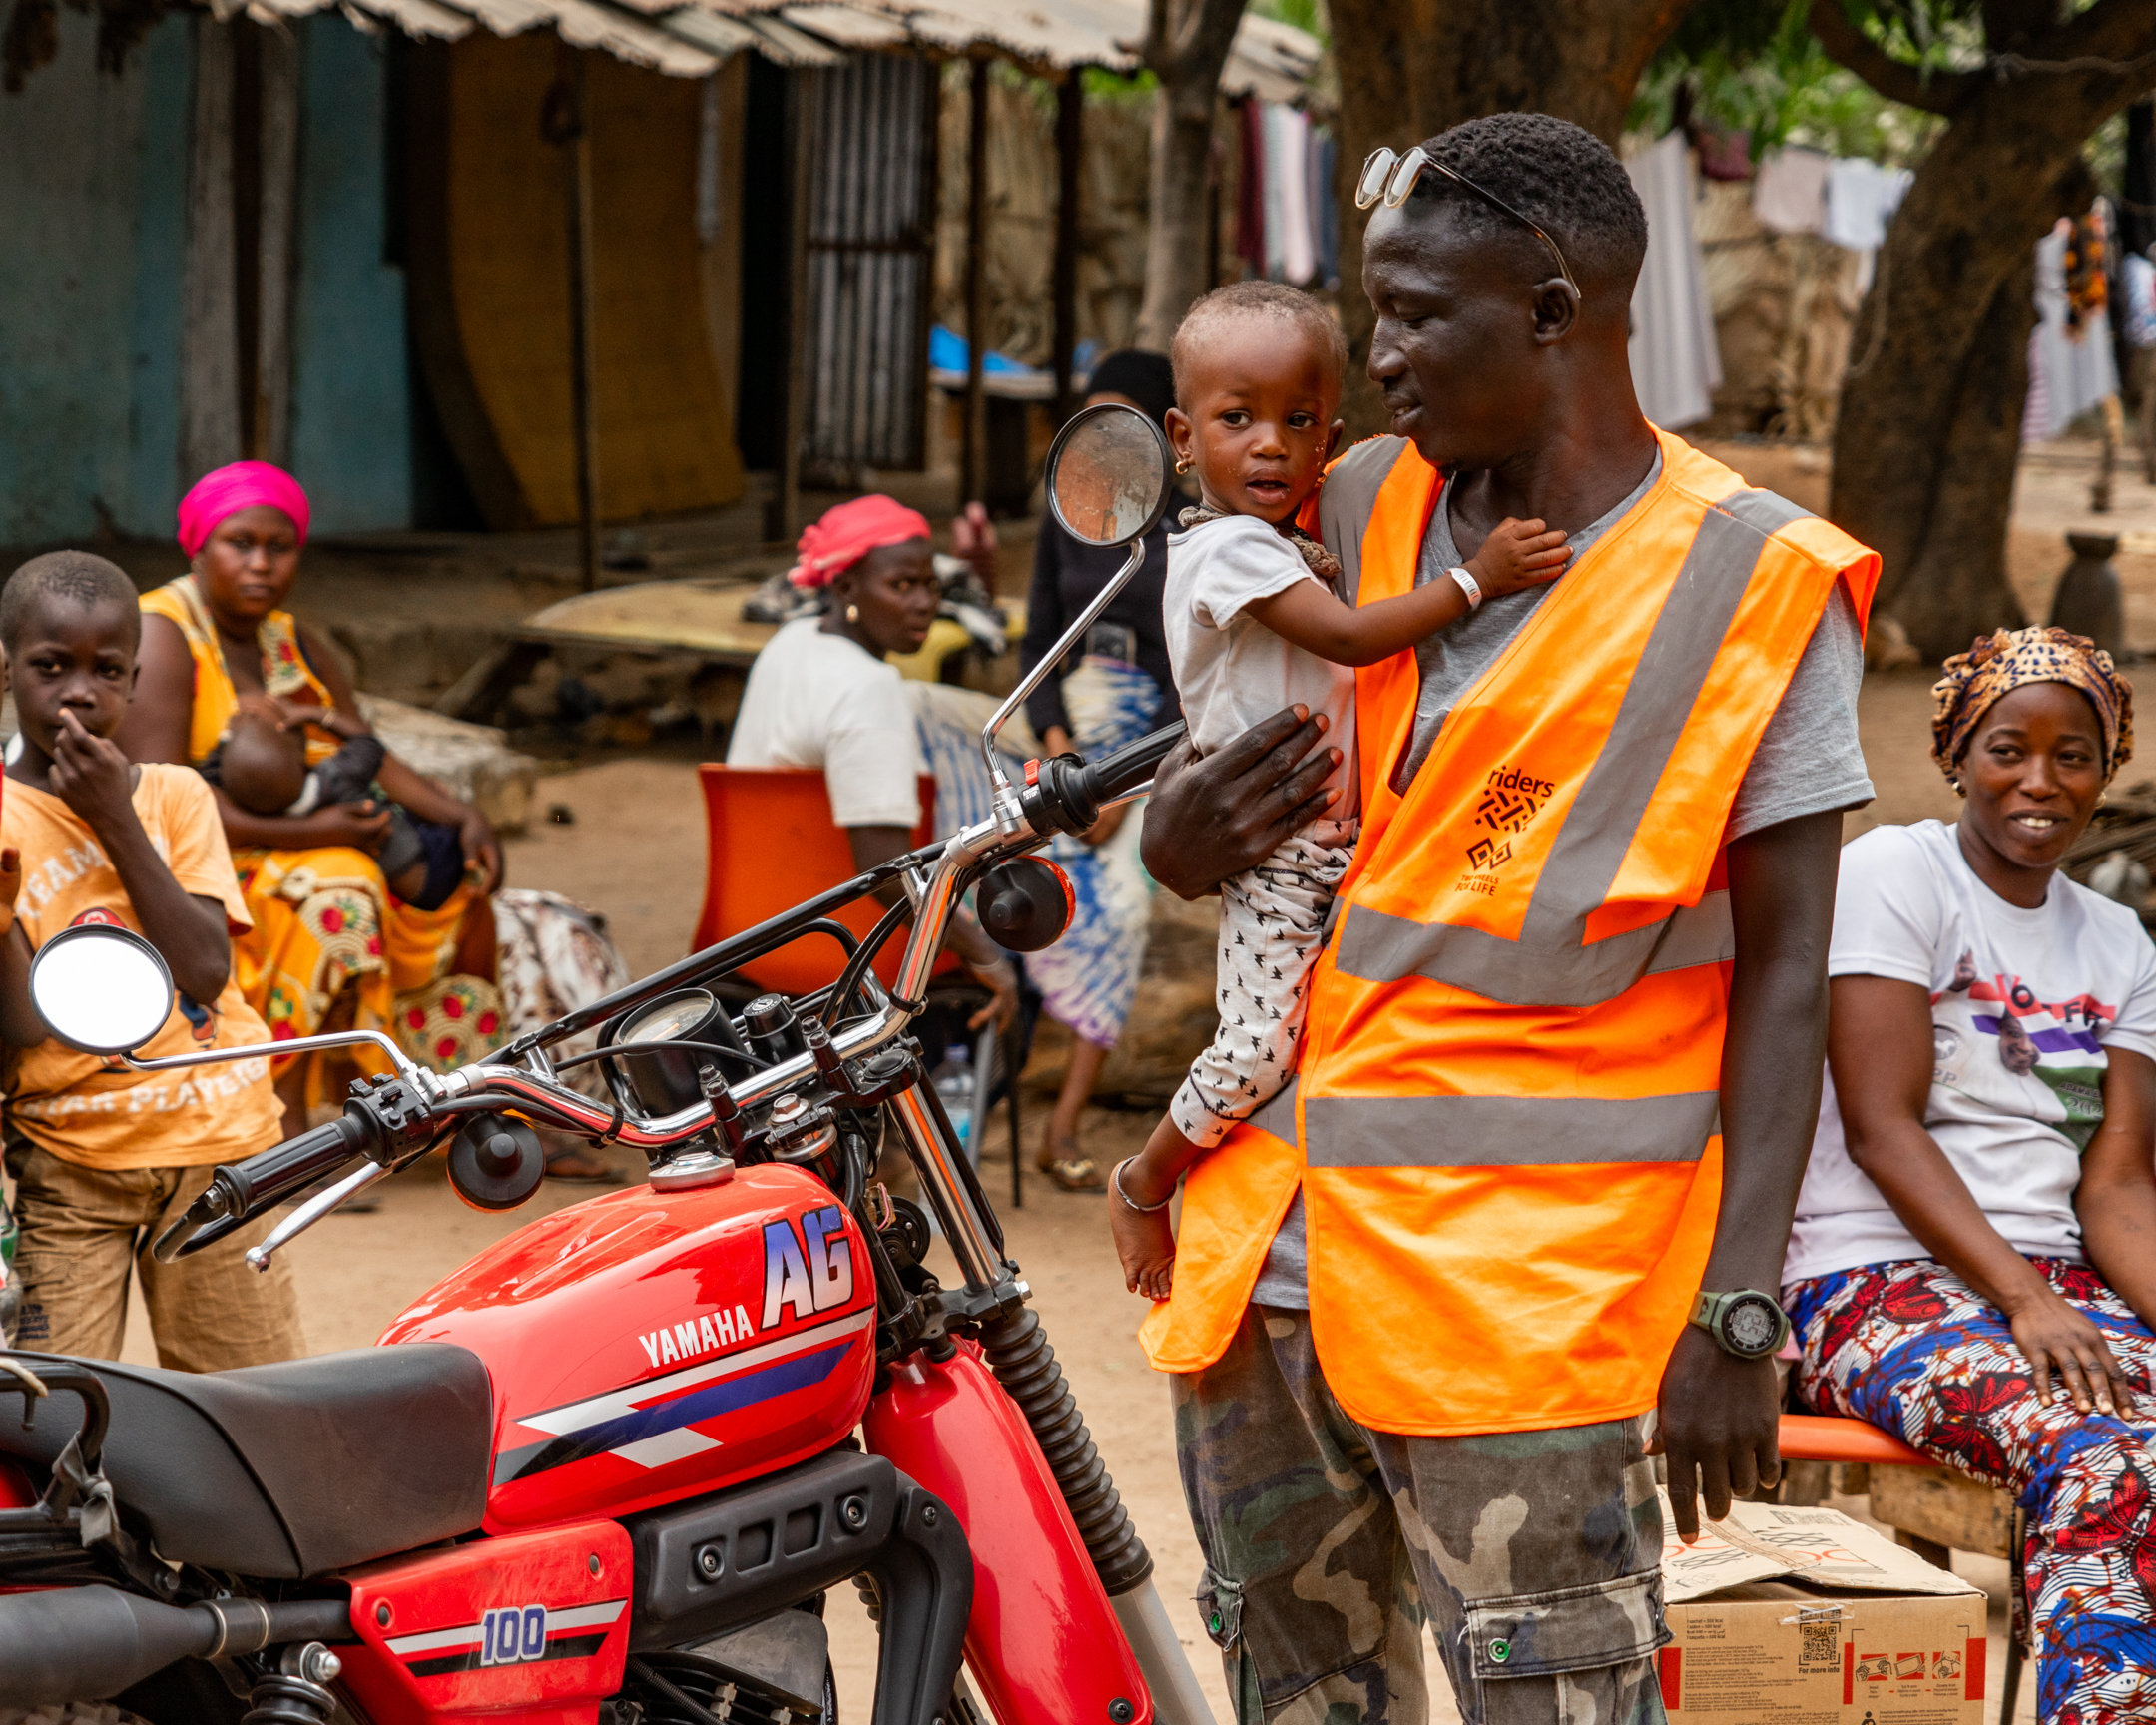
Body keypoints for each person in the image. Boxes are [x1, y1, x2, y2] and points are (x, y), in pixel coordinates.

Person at [1132, 113, 1881, 1724]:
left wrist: (1739, 1304)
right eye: (1373, 313)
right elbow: (1212, 769)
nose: (1377, 356)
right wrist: (1167, 840)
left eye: (1417, 314)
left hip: (1523, 1303)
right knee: (1295, 1696)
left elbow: (1791, 972)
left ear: (1551, 311)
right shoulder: (1348, 505)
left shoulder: (1752, 584)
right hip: (1268, 1262)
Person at [1109, 282, 1569, 1296]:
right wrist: (1478, 579)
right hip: (1275, 856)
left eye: (1298, 421)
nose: (1270, 445)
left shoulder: (1286, 540)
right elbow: (1352, 639)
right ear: (1184, 437)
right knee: (1258, 1052)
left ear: (1333, 436)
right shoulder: (1227, 550)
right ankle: (1145, 1181)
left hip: (1333, 846)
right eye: (1238, 420)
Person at [1785, 627, 2156, 1725]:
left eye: (2073, 755)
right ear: (1956, 753)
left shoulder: (2121, 942)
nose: (2040, 781)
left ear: (2107, 768)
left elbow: (2118, 1186)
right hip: (1872, 1277)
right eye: (2009, 749)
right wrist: (2027, 1300)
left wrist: (2057, 1298)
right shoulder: (1896, 873)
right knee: (2097, 1458)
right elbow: (1882, 1128)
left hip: (2059, 1285)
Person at [116, 463, 525, 1152]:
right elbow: (164, 793)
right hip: (198, 861)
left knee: (462, 885)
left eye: (280, 548)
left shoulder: (292, 640)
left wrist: (461, 815)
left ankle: (437, 1097)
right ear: (198, 546)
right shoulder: (165, 634)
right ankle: (288, 1108)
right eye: (239, 544)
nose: (261, 565)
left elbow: (367, 748)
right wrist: (312, 831)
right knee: (342, 887)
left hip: (299, 831)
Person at [0, 552, 300, 1369]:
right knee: (50, 1413)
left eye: (106, 672)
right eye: (50, 667)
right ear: (7, 669)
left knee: (250, 1407)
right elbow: (26, 1025)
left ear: (135, 681)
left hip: (218, 1154)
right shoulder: (5, 817)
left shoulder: (172, 796)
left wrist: (115, 819)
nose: (78, 693)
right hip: (73, 1164)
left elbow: (205, 972)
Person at [728, 493, 1019, 1030]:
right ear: (844, 588)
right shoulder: (868, 688)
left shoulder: (788, 644)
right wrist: (988, 958)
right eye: (901, 585)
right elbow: (888, 874)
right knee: (1013, 979)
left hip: (753, 936)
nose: (924, 603)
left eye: (930, 584)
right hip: (843, 952)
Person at [1020, 350, 1185, 1191]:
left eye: (1125, 424)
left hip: (1144, 753)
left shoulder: (1190, 533)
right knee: (1000, 876)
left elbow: (1194, 680)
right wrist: (1056, 751)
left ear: (1164, 433)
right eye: (1093, 423)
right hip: (1063, 743)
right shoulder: (1067, 519)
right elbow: (1037, 649)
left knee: (1118, 908)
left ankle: (1061, 1125)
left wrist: (1116, 784)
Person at [201, 696, 447, 908]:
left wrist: (230, 735)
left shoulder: (273, 811)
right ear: (304, 761)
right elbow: (368, 743)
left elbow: (208, 775)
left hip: (398, 877)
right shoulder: (337, 776)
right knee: (446, 834)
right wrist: (319, 716)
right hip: (426, 870)